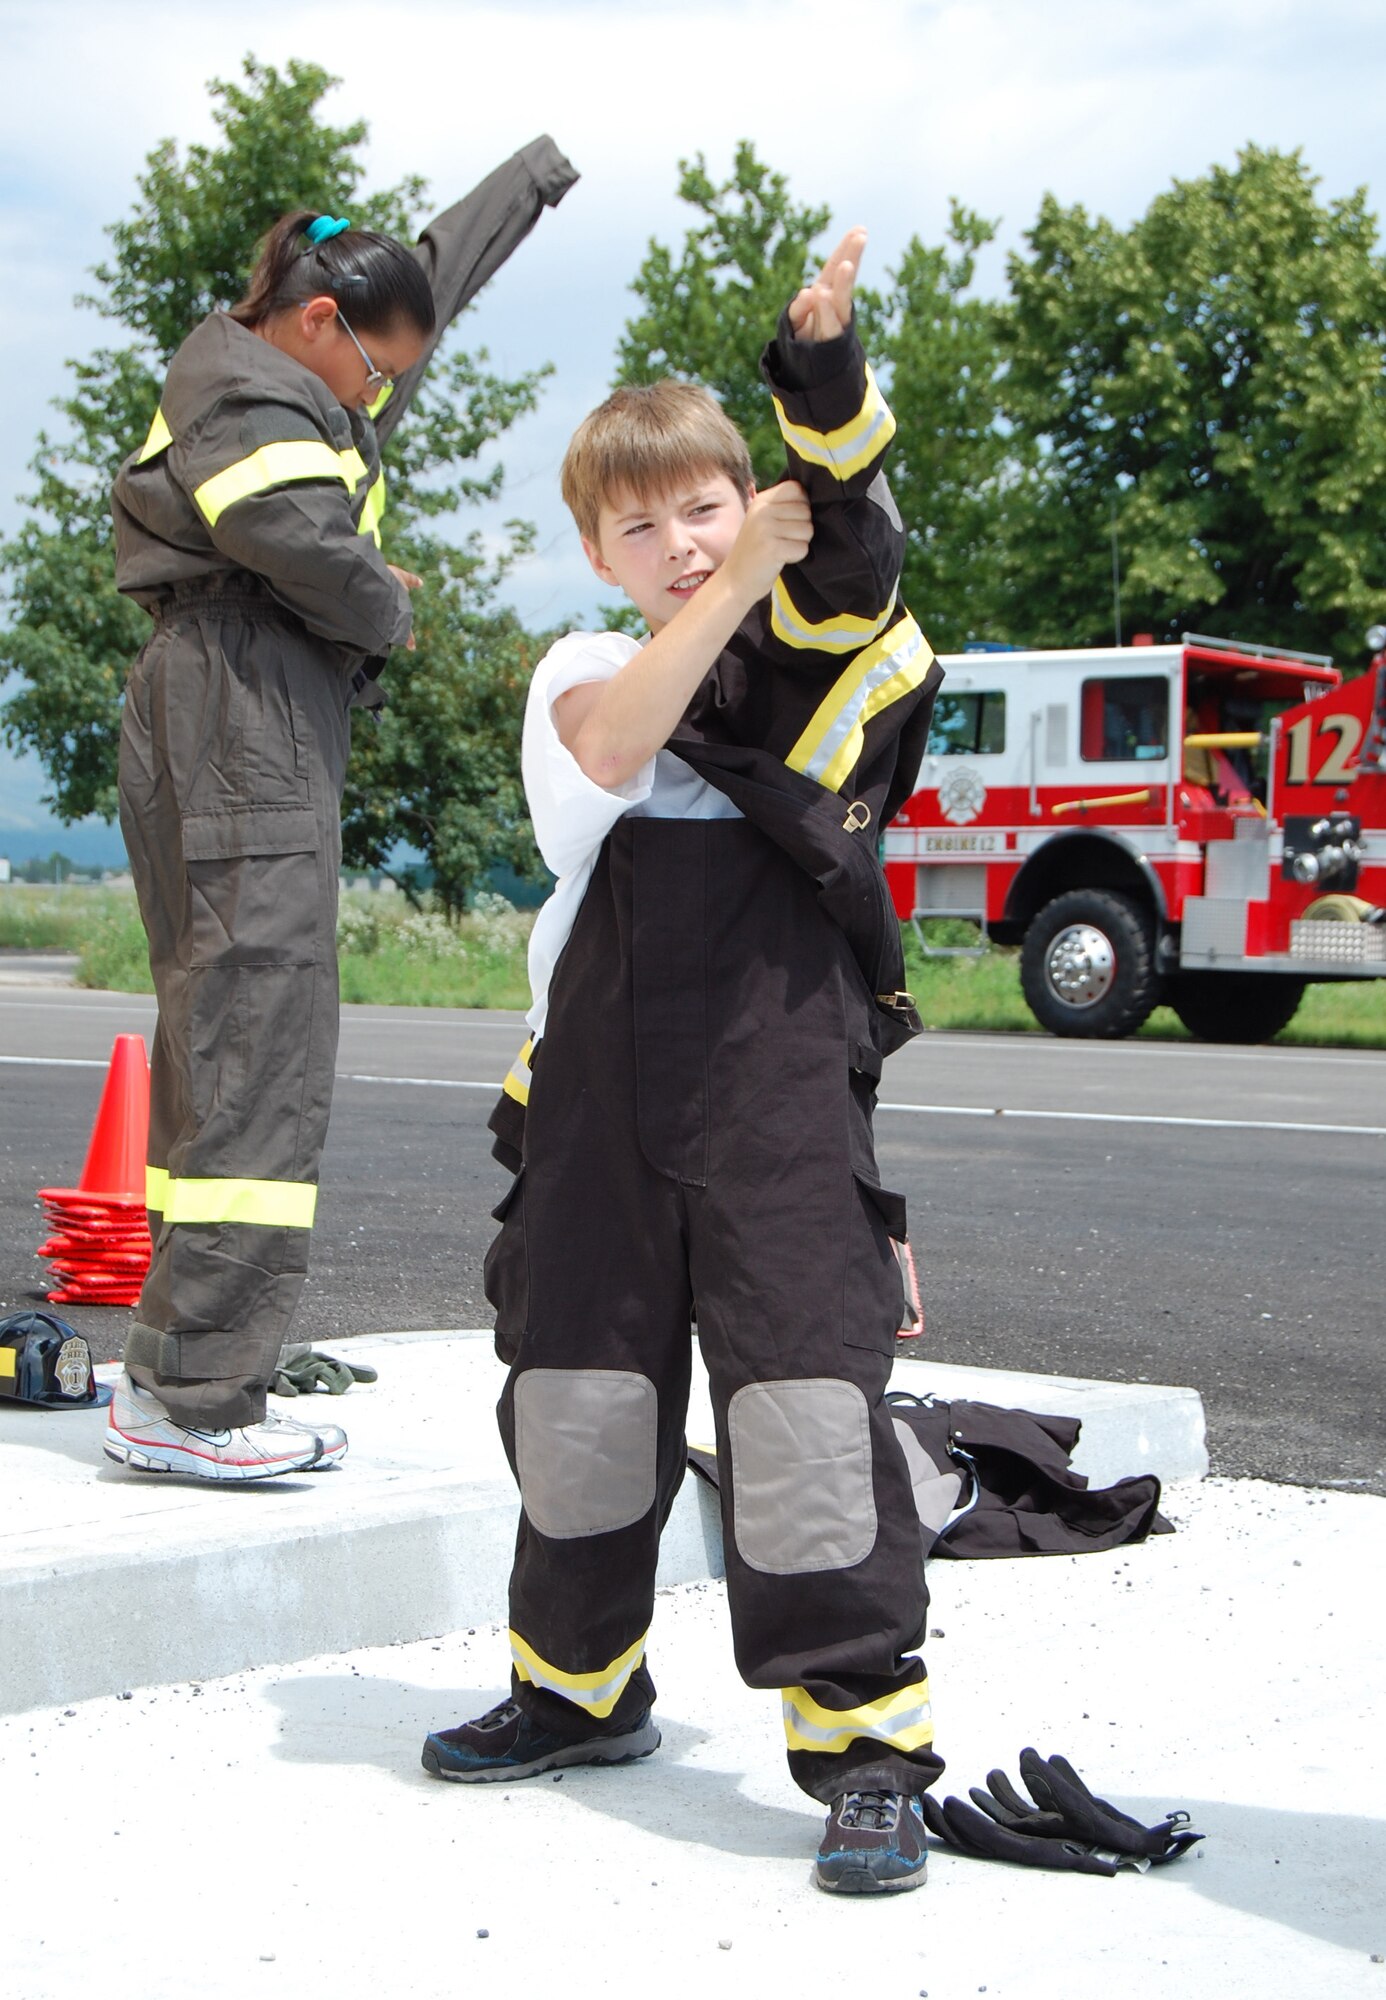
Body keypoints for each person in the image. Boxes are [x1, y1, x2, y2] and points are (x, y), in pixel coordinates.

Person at [423, 230, 948, 1897]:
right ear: (594, 547)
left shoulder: (810, 663)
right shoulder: (586, 668)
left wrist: (821, 374)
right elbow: (616, 746)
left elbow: (849, 551)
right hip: (589, 1105)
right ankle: (574, 1695)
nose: (673, 540)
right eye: (634, 522)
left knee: (802, 1414)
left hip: (778, 1099)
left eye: (702, 506)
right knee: (577, 1402)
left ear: (752, 498)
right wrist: (725, 577)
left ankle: (864, 1752)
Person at [103, 139, 578, 1483]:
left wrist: (532, 179)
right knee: (258, 1034)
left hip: (233, 697)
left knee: (229, 1031)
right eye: (380, 368)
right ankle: (190, 1397)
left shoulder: (301, 348)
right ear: (320, 325)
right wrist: (392, 600)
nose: (391, 392)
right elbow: (306, 550)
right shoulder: (253, 411)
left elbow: (432, 273)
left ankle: (182, 1361)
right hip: (243, 704)